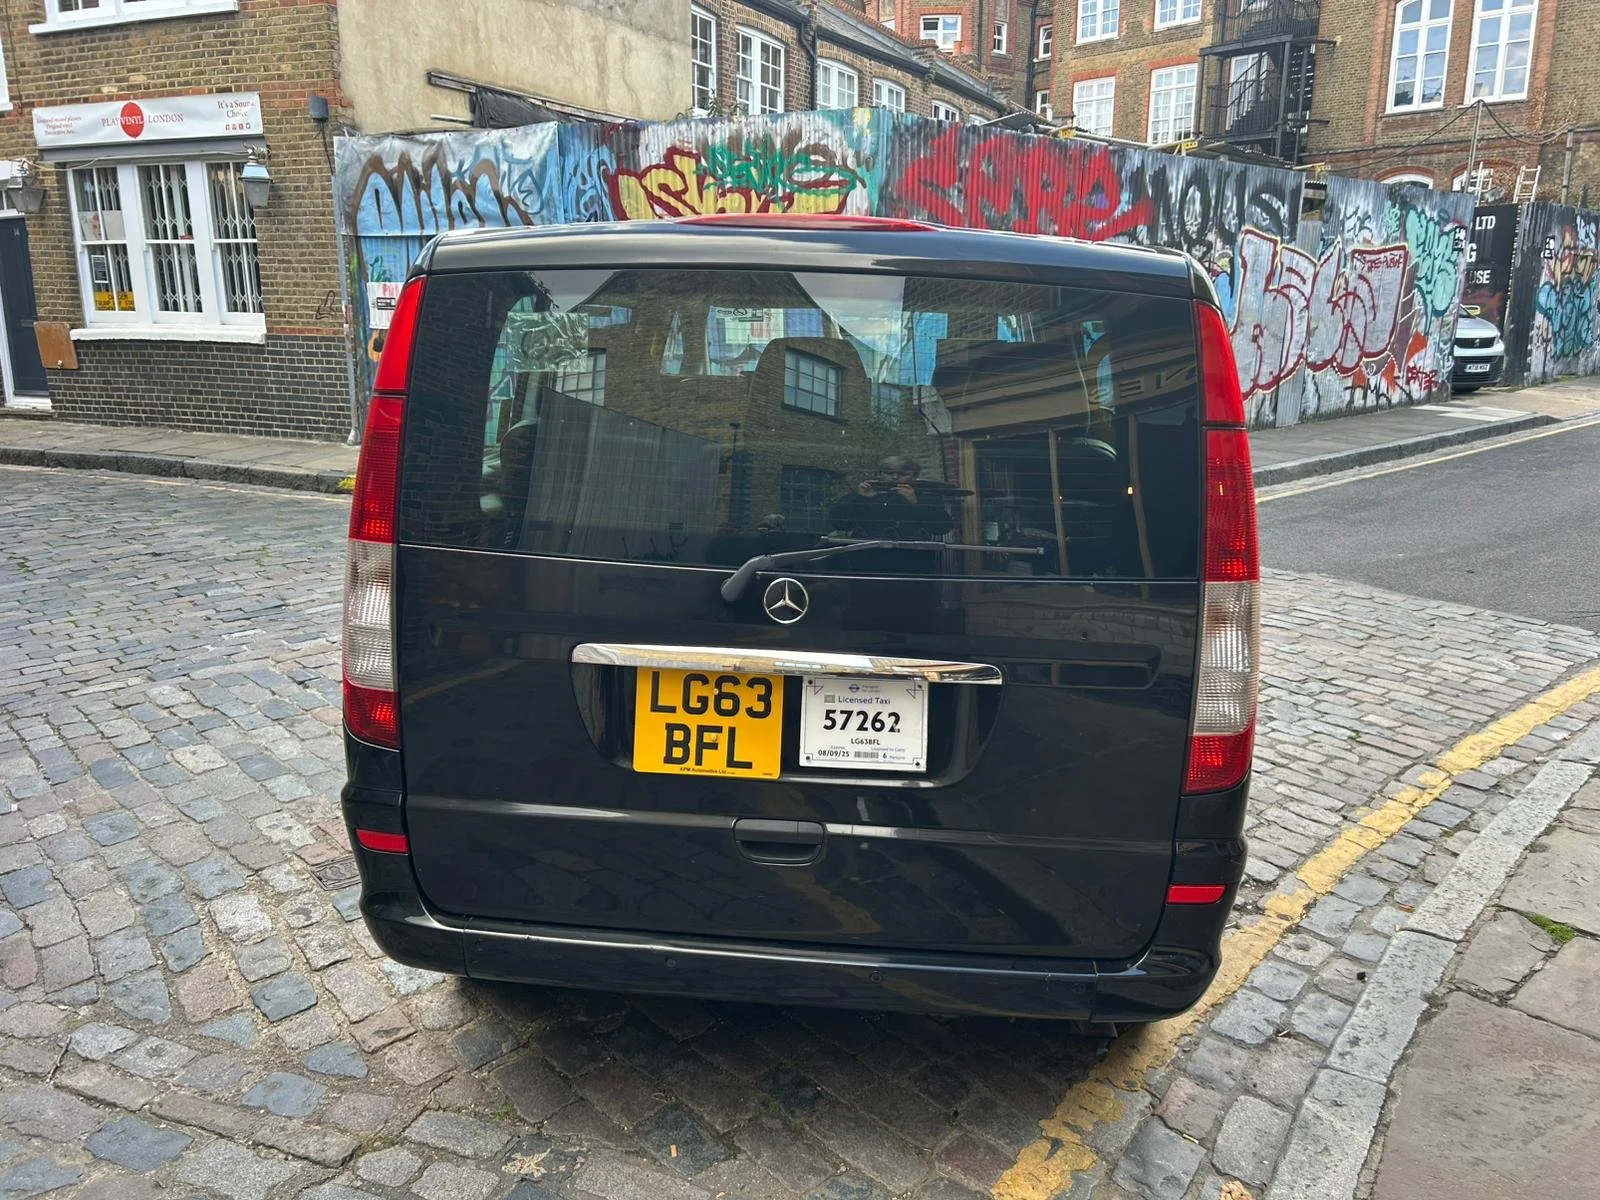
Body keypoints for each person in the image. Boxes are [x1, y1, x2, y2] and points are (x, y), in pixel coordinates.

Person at [827, 455, 955, 541]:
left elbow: (943, 528)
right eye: (889, 473)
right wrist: (860, 498)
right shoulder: (863, 494)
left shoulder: (927, 497)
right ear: (880, 474)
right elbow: (839, 524)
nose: (895, 477)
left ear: (915, 476)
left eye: (902, 474)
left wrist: (915, 504)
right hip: (867, 559)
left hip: (913, 561)